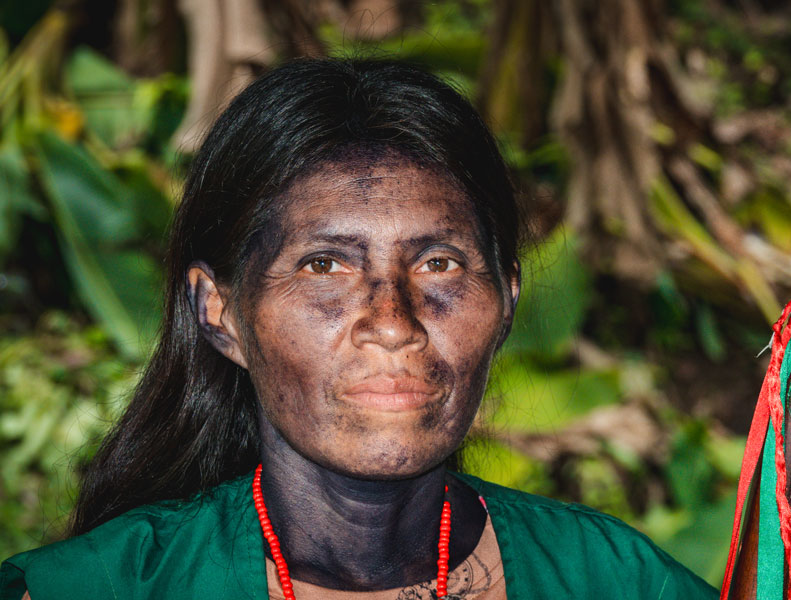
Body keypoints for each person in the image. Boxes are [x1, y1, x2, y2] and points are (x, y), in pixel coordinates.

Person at [0, 58, 718, 599]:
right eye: (324, 266)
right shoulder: (99, 587)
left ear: (506, 298)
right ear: (220, 313)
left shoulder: (613, 580)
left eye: (439, 263)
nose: (392, 323)